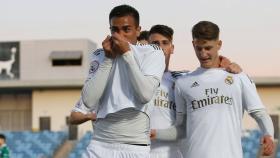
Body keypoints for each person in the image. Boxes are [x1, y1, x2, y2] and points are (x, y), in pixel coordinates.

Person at [166, 21, 274, 158]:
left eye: (208, 48)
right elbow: (181, 127)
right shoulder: (183, 83)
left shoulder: (238, 77)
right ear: (193, 44)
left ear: (219, 44)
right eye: (199, 48)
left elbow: (259, 112)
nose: (203, 54)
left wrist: (268, 134)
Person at [80, 4, 165, 158]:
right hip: (100, 144)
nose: (119, 35)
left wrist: (126, 54)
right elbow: (88, 101)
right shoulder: (100, 54)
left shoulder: (152, 53)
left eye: (126, 29)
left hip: (134, 146)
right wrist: (108, 59)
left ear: (138, 30)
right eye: (115, 30)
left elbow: (145, 95)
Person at [148, 24, 242, 158]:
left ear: (172, 48)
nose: (161, 48)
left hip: (173, 153)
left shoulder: (183, 80)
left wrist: (230, 64)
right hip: (140, 152)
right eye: (155, 44)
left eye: (165, 43)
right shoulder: (134, 80)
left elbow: (211, 74)